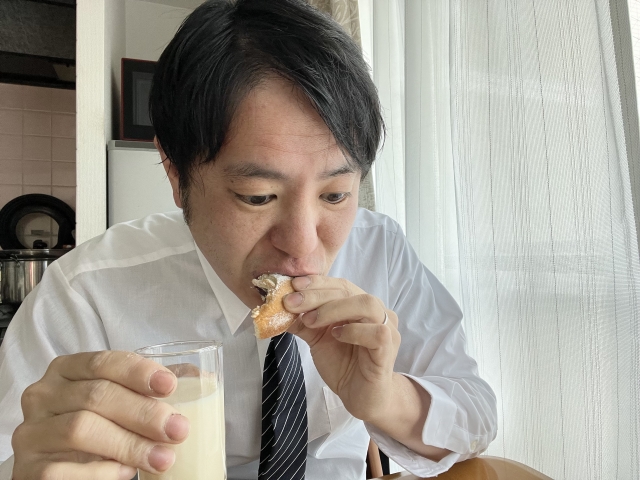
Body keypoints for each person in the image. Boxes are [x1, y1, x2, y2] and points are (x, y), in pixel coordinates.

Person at [0, 0, 497, 479]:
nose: (303, 247)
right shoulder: (87, 292)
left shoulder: (380, 250)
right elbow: (17, 449)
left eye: (336, 194)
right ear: (175, 173)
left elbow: (476, 416)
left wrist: (383, 396)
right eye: (257, 197)